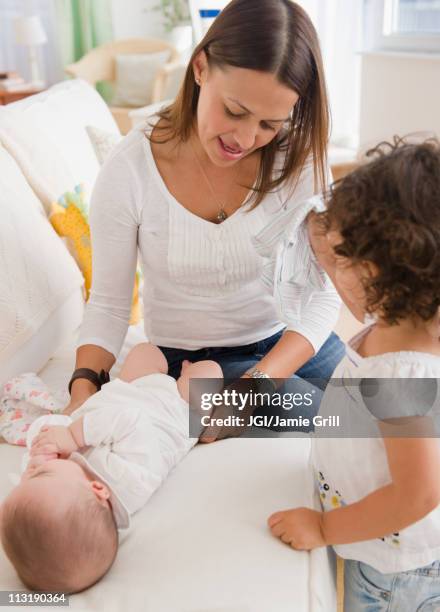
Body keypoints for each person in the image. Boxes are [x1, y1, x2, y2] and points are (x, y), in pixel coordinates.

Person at [66, 0, 345, 438]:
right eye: (234, 111)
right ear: (200, 67)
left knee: (404, 409)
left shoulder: (300, 159)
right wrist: (82, 390)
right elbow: (109, 304)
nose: (246, 139)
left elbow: (323, 295)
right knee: (350, 421)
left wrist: (254, 387)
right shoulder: (130, 168)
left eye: (270, 124)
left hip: (289, 342)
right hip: (196, 364)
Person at [268, 139, 440, 611]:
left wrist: (324, 529)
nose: (332, 265)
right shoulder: (392, 330)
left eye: (341, 255)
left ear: (376, 269)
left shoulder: (399, 377)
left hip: (395, 572)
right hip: (381, 545)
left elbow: (419, 494)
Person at [0, 343, 222, 593]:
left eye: (29, 476)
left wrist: (41, 447)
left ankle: (162, 369)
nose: (33, 470)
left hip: (125, 390)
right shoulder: (129, 482)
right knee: (209, 372)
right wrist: (73, 436)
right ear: (97, 489)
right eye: (41, 472)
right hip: (175, 410)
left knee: (145, 352)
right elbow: (131, 421)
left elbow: (52, 430)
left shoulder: (60, 488)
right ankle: (193, 383)